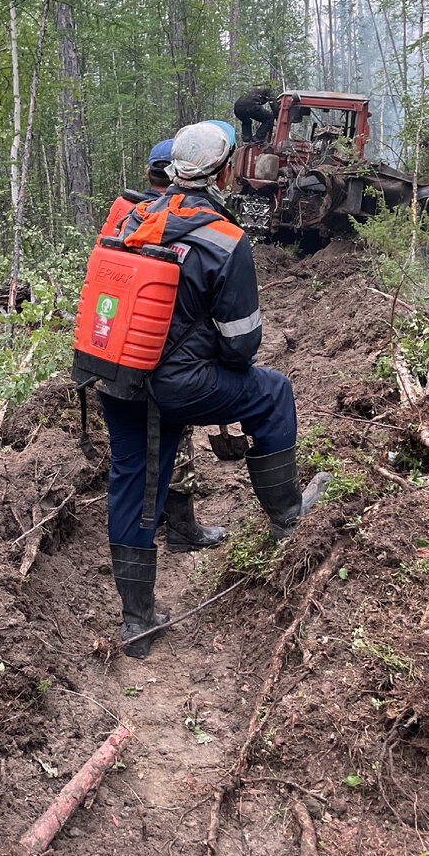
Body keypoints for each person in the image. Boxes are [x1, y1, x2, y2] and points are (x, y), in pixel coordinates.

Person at [100, 121, 330, 658]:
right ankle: (288, 521)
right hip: (179, 386)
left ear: (173, 170)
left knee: (134, 479)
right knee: (272, 394)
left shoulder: (132, 217)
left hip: (116, 376)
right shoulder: (225, 240)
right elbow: (241, 344)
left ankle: (137, 624)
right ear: (224, 171)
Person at [102, 140, 226, 552]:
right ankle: (178, 527)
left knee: (134, 457)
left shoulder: (127, 212)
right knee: (170, 443)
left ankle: (159, 525)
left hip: (115, 354)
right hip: (163, 356)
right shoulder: (186, 219)